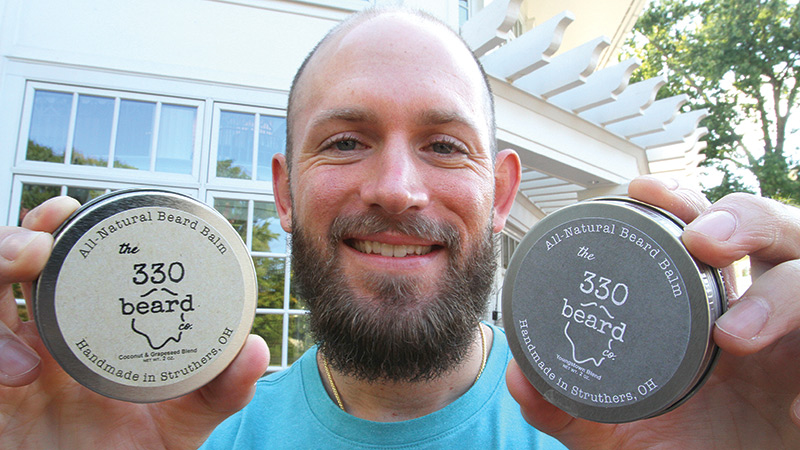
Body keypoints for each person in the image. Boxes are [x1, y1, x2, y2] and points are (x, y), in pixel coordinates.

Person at [1, 6, 799, 449]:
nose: (395, 189)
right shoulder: (185, 438)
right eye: (345, 141)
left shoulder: (631, 427)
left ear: (500, 192)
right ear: (284, 193)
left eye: (445, 146)